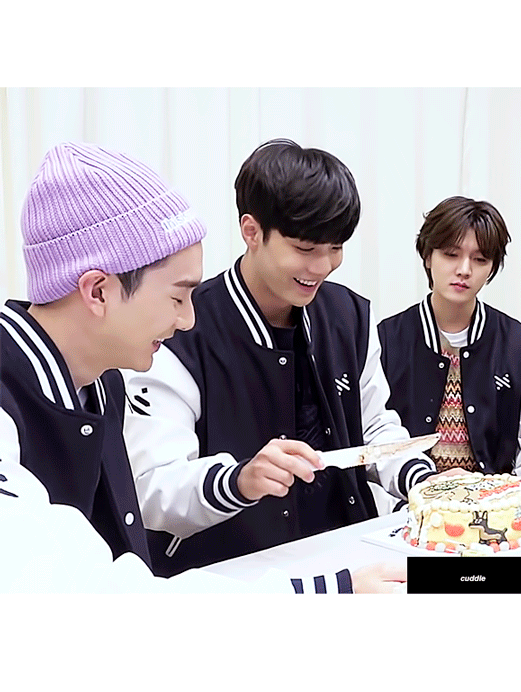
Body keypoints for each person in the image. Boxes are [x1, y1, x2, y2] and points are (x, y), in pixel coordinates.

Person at [0, 142, 401, 592]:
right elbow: (96, 591)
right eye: (177, 296)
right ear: (97, 291)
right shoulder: (25, 392)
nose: (188, 319)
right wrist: (326, 591)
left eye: (336, 248)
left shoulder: (100, 382)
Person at [123, 139, 451, 577]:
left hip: (347, 555)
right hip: (234, 576)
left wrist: (422, 481)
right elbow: (153, 488)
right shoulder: (182, 329)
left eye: (336, 247)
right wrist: (240, 479)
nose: (323, 266)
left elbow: (374, 427)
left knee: (491, 584)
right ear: (251, 231)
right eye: (305, 249)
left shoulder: (349, 316)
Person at [377, 196, 521, 480]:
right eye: (451, 254)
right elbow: (375, 443)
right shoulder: (386, 342)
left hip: (499, 501)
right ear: (428, 256)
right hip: (409, 499)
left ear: (492, 268)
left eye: (480, 259)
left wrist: (508, 495)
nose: (464, 269)